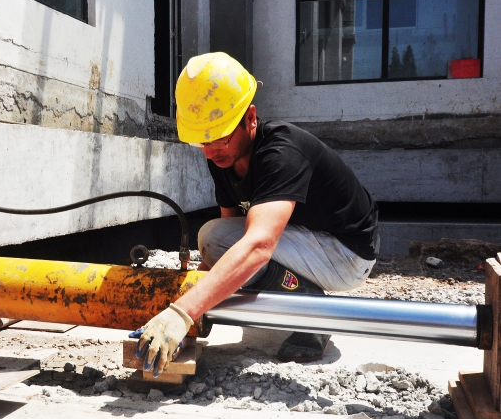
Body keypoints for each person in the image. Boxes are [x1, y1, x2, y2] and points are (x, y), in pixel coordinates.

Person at [134, 52, 379, 374]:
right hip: (310, 244)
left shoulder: (281, 152)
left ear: (251, 118)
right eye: (202, 142)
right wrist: (196, 286)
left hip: (346, 254)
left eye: (220, 138)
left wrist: (183, 312)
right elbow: (228, 231)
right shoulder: (222, 154)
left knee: (220, 239)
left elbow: (258, 245)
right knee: (216, 239)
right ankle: (299, 294)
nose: (210, 151)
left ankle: (312, 314)